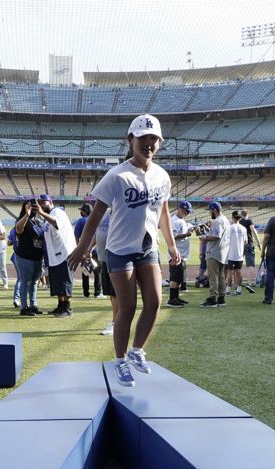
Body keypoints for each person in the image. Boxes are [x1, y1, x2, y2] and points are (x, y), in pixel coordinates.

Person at [68, 113, 182, 388]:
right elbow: (96, 215)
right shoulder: (117, 175)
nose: (150, 143)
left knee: (154, 301)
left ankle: (136, 351)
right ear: (131, 140)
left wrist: (172, 244)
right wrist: (83, 247)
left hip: (147, 247)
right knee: (127, 306)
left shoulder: (162, 176)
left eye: (154, 138)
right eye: (143, 138)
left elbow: (163, 212)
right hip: (119, 248)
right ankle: (120, 361)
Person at [38, 194, 77, 317]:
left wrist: (41, 213)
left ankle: (67, 308)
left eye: (43, 202)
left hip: (64, 253)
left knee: (65, 281)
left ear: (50, 202)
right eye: (40, 203)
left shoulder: (57, 212)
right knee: (58, 283)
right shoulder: (47, 217)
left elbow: (56, 222)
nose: (41, 205)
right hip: (55, 254)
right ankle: (60, 306)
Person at [12, 201, 47, 316]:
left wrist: (40, 212)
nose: (32, 208)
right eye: (29, 205)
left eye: (34, 205)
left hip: (37, 257)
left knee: (34, 282)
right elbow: (18, 228)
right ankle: (24, 307)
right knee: (25, 282)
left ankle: (33, 305)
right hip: (25, 257)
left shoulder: (37, 221)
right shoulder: (22, 220)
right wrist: (27, 214)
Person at [200, 201, 229, 308]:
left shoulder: (217, 221)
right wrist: (208, 230)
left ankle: (213, 298)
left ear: (215, 210)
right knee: (221, 276)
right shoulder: (225, 220)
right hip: (222, 251)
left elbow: (217, 236)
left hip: (214, 251)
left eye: (210, 210)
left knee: (213, 277)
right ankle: (221, 298)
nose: (209, 213)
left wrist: (205, 238)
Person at [166, 201, 194, 308]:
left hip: (181, 254)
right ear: (181, 209)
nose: (187, 213)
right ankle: (172, 299)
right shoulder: (175, 221)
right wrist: (186, 234)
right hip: (176, 254)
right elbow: (173, 236)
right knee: (175, 278)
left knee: (178, 279)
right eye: (186, 211)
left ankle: (176, 297)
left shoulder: (180, 220)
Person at [224, 210, 248, 298]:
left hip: (231, 253)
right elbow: (246, 242)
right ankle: (238, 289)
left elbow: (225, 240)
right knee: (238, 271)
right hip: (239, 254)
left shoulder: (230, 228)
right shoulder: (243, 228)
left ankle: (228, 289)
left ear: (232, 217)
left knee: (230, 272)